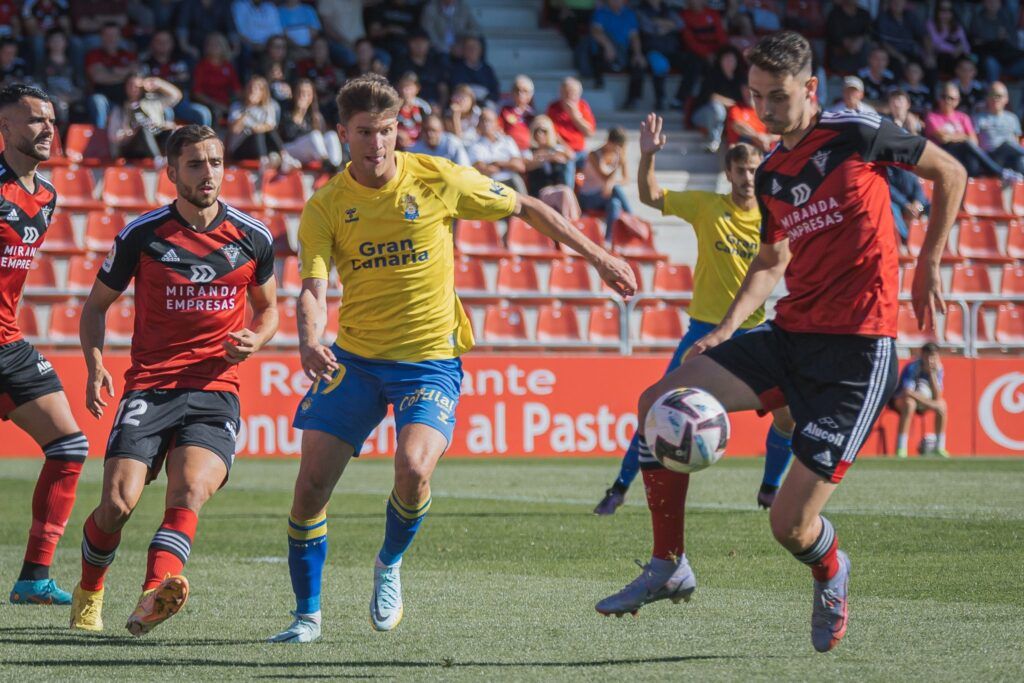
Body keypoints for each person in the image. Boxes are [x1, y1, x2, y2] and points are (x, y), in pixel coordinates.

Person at [597, 31, 966, 654]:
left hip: (858, 352)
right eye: (756, 96)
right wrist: (722, 329)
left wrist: (930, 260)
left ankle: (832, 573)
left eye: (778, 96)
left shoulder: (854, 130)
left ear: (810, 90)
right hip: (789, 334)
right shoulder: (770, 172)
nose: (765, 109)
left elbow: (948, 170)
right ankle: (669, 564)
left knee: (789, 526)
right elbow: (771, 260)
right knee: (657, 401)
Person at [266, 74, 636, 644]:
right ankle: (306, 616)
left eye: (386, 131)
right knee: (310, 488)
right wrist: (307, 339)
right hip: (356, 360)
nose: (377, 143)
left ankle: (389, 563)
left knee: (413, 470)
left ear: (397, 130)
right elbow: (312, 286)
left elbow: (527, 206)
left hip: (430, 359)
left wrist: (600, 256)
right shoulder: (326, 206)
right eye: (364, 132)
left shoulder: (437, 177)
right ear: (343, 133)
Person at [69, 124, 279, 635]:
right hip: (151, 386)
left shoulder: (254, 237)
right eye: (195, 164)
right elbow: (96, 307)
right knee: (117, 505)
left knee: (188, 493)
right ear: (171, 172)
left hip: (215, 389)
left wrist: (257, 337)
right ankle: (89, 590)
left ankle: (152, 594)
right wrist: (95, 363)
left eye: (215, 162)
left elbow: (269, 309)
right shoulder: (142, 234)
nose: (208, 173)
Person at [593, 122, 794, 517]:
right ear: (729, 173)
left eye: (755, 170)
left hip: (752, 332)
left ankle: (770, 490)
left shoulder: (772, 220)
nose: (749, 177)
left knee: (788, 415)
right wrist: (648, 154)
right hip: (703, 332)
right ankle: (619, 487)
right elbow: (651, 196)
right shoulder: (707, 207)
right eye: (742, 170)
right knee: (657, 406)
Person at [0, 84, 89, 607]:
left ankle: (34, 578)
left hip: (8, 345)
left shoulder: (47, 196)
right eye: (34, 120)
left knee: (70, 446)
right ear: (6, 128)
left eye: (51, 120)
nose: (47, 129)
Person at [924, 82, 1020, 182]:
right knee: (966, 145)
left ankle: (995, 174)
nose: (948, 101)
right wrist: (964, 137)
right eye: (944, 97)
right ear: (939, 98)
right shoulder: (932, 117)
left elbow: (974, 141)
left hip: (964, 158)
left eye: (952, 98)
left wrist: (952, 136)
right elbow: (943, 139)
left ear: (958, 101)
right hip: (943, 155)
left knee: (970, 149)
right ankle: (999, 173)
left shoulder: (963, 117)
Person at [141, 30, 212, 127]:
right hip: (159, 102)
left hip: (182, 102)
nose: (163, 44)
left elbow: (188, 84)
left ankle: (201, 141)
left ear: (172, 43)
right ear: (152, 43)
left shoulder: (181, 61)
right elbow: (145, 87)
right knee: (167, 113)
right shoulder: (146, 64)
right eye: (159, 41)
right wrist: (174, 81)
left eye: (166, 41)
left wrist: (161, 83)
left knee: (203, 113)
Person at [890, 342, 948, 458]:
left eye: (934, 356)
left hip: (923, 401)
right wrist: (931, 404)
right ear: (922, 355)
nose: (931, 359)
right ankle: (901, 448)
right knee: (909, 404)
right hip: (901, 400)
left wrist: (932, 374)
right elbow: (908, 392)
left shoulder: (939, 368)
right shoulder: (913, 367)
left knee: (942, 406)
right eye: (928, 356)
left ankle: (939, 447)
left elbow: (938, 396)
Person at [887, 90, 929, 241]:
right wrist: (906, 205)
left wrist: (917, 204)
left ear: (908, 104)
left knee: (936, 205)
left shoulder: (915, 127)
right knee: (891, 206)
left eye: (900, 100)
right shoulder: (884, 126)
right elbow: (887, 185)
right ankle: (907, 241)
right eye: (894, 100)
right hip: (895, 191)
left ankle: (934, 243)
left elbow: (915, 173)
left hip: (913, 190)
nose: (897, 104)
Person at [107, 74, 180, 162]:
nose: (134, 89)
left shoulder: (152, 103)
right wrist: (131, 133)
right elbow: (114, 136)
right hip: (131, 148)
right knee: (143, 130)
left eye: (137, 86)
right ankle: (158, 160)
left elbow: (176, 96)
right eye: (130, 85)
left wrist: (157, 82)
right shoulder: (119, 109)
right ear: (125, 87)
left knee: (171, 131)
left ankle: (171, 161)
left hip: (154, 140)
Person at [586, 0, 645, 109]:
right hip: (606, 51)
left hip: (624, 52)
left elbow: (634, 36)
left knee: (638, 63)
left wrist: (637, 54)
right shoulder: (601, 12)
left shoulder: (629, 14)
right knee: (596, 49)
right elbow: (596, 32)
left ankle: (632, 100)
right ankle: (598, 83)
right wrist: (608, 46)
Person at [577, 127, 632, 238]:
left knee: (615, 204)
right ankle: (632, 219)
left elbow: (626, 179)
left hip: (605, 196)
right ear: (609, 142)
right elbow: (604, 177)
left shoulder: (619, 156)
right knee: (616, 189)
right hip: (588, 197)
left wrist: (612, 183)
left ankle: (609, 239)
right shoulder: (594, 155)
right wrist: (616, 165)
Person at [280, 78, 344, 170]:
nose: (303, 96)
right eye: (300, 93)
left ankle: (335, 167)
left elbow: (321, 140)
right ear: (294, 94)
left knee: (331, 135)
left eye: (307, 94)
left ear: (312, 97)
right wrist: (298, 112)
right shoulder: (285, 112)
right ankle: (326, 162)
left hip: (309, 152)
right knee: (315, 135)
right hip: (288, 150)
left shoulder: (314, 116)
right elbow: (287, 135)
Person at [691, 47, 745, 154]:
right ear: (720, 61)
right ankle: (713, 141)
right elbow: (711, 96)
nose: (729, 63)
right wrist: (730, 103)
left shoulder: (740, 78)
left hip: (730, 117)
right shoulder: (712, 75)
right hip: (703, 114)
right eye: (726, 59)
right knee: (717, 109)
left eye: (732, 60)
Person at [85, 22, 138, 129]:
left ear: (119, 37)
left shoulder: (127, 54)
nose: (111, 38)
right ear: (101, 37)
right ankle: (100, 138)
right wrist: (126, 74)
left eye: (114, 35)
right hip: (105, 99)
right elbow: (98, 77)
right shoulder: (94, 54)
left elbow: (137, 74)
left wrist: (111, 72)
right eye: (107, 35)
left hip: (126, 100)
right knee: (97, 101)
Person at [466, 108, 527, 195]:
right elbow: (484, 169)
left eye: (489, 121)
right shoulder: (474, 146)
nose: (486, 124)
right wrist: (508, 164)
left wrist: (497, 163)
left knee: (517, 182)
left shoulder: (507, 141)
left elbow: (519, 166)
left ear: (496, 123)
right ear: (478, 124)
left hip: (512, 180)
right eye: (483, 120)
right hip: (491, 184)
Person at [974, 81, 1024, 176]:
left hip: (1011, 158)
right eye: (992, 94)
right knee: (1006, 145)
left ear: (1006, 99)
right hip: (990, 157)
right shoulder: (978, 118)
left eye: (999, 96)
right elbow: (975, 143)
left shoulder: (1012, 118)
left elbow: (1016, 142)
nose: (995, 98)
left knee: (1020, 158)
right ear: (987, 97)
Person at [192, 32, 242, 125]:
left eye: (218, 44)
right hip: (208, 104)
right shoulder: (201, 66)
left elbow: (237, 89)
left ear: (224, 47)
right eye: (211, 44)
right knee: (216, 114)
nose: (214, 46)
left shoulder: (228, 66)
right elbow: (197, 93)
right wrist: (217, 105)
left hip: (226, 103)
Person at [546, 77, 596, 169]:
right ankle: (567, 184)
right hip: (561, 148)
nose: (570, 95)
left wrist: (575, 116)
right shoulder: (553, 107)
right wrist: (566, 149)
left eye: (573, 92)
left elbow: (589, 133)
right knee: (568, 161)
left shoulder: (583, 106)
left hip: (580, 151)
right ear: (561, 92)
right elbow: (552, 134)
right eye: (566, 92)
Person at [448, 35, 500, 107]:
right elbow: (455, 91)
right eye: (469, 48)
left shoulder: (488, 70)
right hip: (464, 105)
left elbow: (495, 92)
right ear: (464, 50)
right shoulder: (456, 70)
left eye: (475, 48)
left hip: (484, 105)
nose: (472, 50)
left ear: (481, 50)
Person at [725, 84, 779, 152]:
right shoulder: (736, 108)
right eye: (746, 89)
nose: (749, 92)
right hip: (744, 151)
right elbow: (737, 125)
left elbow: (779, 131)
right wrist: (756, 137)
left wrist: (767, 138)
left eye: (752, 89)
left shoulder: (765, 109)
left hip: (765, 147)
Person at [825, 0, 872, 75]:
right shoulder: (834, 14)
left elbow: (868, 32)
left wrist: (860, 40)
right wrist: (850, 44)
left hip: (860, 52)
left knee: (868, 45)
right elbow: (835, 36)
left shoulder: (864, 14)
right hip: (840, 54)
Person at [926, 1, 970, 77]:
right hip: (939, 56)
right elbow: (936, 43)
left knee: (966, 61)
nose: (945, 14)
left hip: (956, 56)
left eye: (948, 10)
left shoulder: (957, 26)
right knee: (945, 58)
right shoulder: (930, 24)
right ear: (937, 11)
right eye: (942, 10)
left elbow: (966, 46)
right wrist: (953, 49)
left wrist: (961, 48)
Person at [395, 72, 432, 150]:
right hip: (398, 147)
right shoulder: (393, 107)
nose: (405, 91)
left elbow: (429, 127)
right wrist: (397, 133)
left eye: (409, 88)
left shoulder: (423, 107)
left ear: (417, 89)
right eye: (402, 87)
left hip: (419, 147)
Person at [499, 75, 535, 151]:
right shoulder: (505, 111)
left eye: (524, 91)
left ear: (531, 95)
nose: (520, 93)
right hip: (509, 149)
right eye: (517, 90)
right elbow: (499, 129)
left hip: (529, 150)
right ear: (512, 92)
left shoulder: (533, 114)